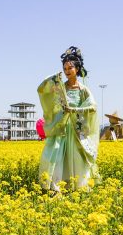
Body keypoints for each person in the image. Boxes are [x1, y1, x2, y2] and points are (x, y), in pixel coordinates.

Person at [37, 46, 99, 192]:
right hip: (62, 128)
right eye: (65, 68)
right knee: (57, 157)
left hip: (77, 129)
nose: (67, 71)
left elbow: (93, 107)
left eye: (70, 68)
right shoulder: (60, 88)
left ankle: (78, 187)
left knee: (78, 158)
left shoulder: (83, 89)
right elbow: (44, 92)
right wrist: (52, 80)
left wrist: (75, 110)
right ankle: (57, 186)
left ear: (77, 69)